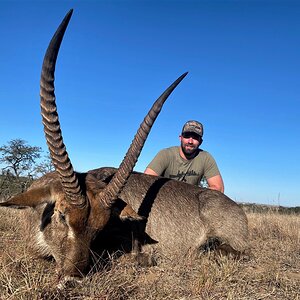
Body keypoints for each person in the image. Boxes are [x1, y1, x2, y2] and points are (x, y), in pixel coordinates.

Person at [144, 120, 224, 192]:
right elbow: (146, 181)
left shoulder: (206, 158)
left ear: (200, 142)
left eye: (195, 138)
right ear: (180, 138)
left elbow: (219, 188)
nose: (190, 141)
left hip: (190, 202)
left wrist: (194, 195)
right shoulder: (165, 154)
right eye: (187, 136)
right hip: (164, 200)